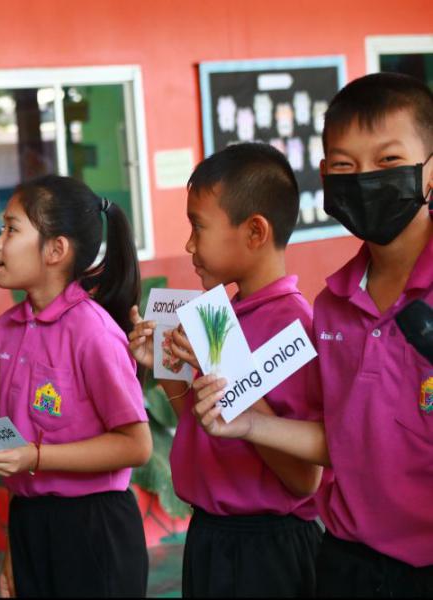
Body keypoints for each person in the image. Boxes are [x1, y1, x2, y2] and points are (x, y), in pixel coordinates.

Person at [191, 72, 433, 597]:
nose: (365, 179)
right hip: (346, 562)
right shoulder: (333, 306)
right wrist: (249, 424)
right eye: (345, 166)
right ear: (325, 175)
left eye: (389, 161)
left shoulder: (295, 314)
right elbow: (340, 439)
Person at [129, 143, 324, 597]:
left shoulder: (293, 325)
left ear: (255, 231)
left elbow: (303, 479)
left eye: (198, 226)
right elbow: (205, 429)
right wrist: (166, 367)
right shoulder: (222, 316)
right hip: (211, 537)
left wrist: (228, 374)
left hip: (268, 548)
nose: (188, 244)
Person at [0, 175, 152, 598]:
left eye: (11, 229)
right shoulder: (8, 327)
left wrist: (34, 457)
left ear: (56, 250)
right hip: (31, 522)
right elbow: (8, 438)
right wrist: (16, 546)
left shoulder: (93, 332)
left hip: (93, 529)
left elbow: (136, 445)